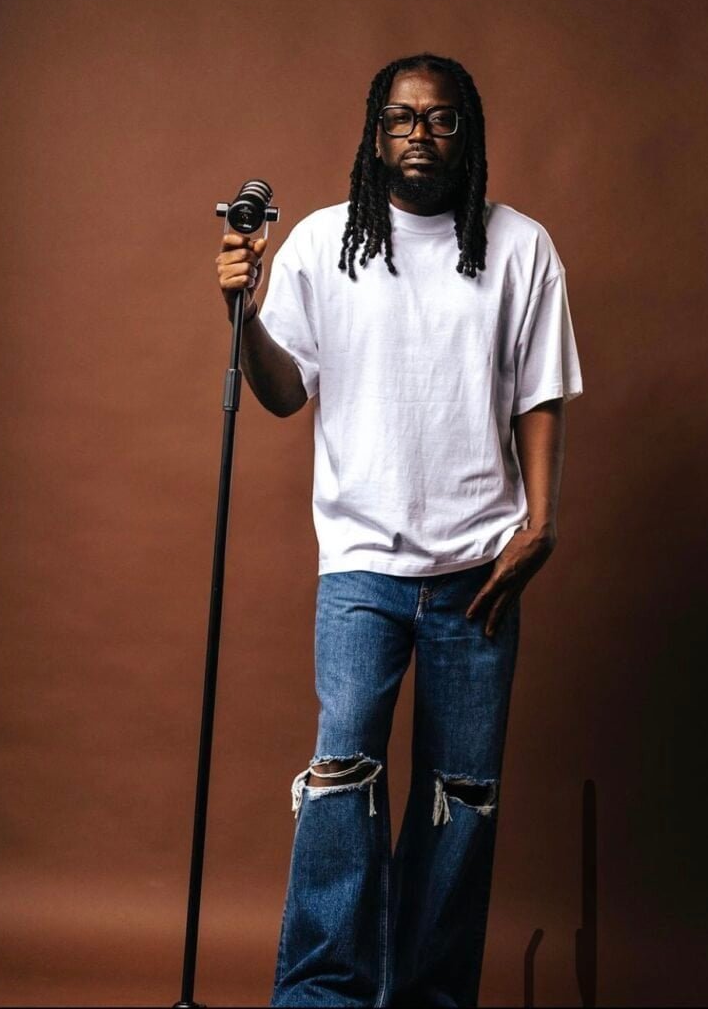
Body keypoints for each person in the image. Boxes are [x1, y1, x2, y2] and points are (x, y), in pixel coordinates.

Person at [215, 52, 582, 1009]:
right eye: (403, 117)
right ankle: (322, 998)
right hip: (362, 566)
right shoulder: (322, 243)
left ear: (470, 132)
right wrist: (242, 314)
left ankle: (430, 998)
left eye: (442, 118)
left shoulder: (520, 246)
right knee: (342, 783)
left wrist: (541, 523)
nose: (422, 134)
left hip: (481, 569)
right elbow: (284, 393)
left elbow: (540, 393)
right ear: (375, 133)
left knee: (462, 800)